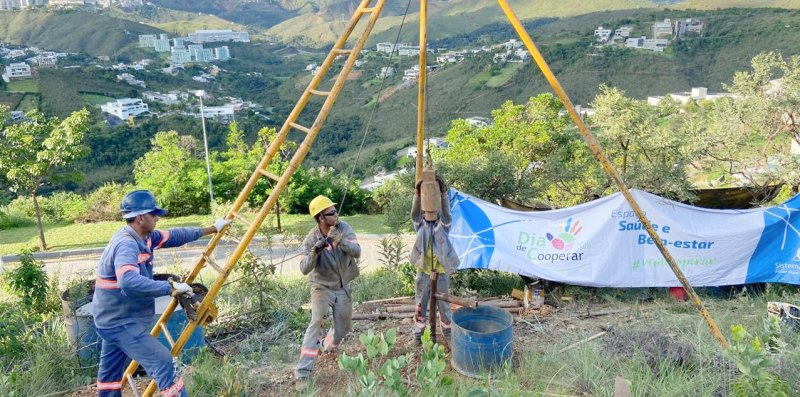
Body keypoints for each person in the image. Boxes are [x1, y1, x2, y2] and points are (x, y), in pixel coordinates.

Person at [92, 190, 231, 397]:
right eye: (153, 214)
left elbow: (174, 236)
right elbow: (128, 281)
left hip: (112, 317)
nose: (157, 218)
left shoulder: (144, 237)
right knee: (163, 362)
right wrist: (170, 287)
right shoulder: (127, 245)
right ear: (140, 218)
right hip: (120, 322)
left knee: (110, 378)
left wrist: (212, 229)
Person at [294, 195, 361, 387]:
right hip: (321, 287)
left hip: (342, 286)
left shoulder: (344, 227)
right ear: (321, 218)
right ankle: (303, 373)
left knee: (343, 328)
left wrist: (341, 242)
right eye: (331, 213)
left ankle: (327, 346)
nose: (336, 214)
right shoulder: (310, 239)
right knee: (316, 323)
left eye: (335, 210)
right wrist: (315, 252)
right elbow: (304, 269)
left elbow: (357, 251)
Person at [410, 175, 460, 344]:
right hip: (423, 272)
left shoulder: (443, 226)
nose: (429, 214)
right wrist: (417, 194)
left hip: (441, 273)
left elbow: (447, 214)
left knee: (444, 306)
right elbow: (414, 214)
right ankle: (418, 335)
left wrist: (444, 193)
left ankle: (447, 334)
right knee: (420, 305)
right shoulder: (420, 225)